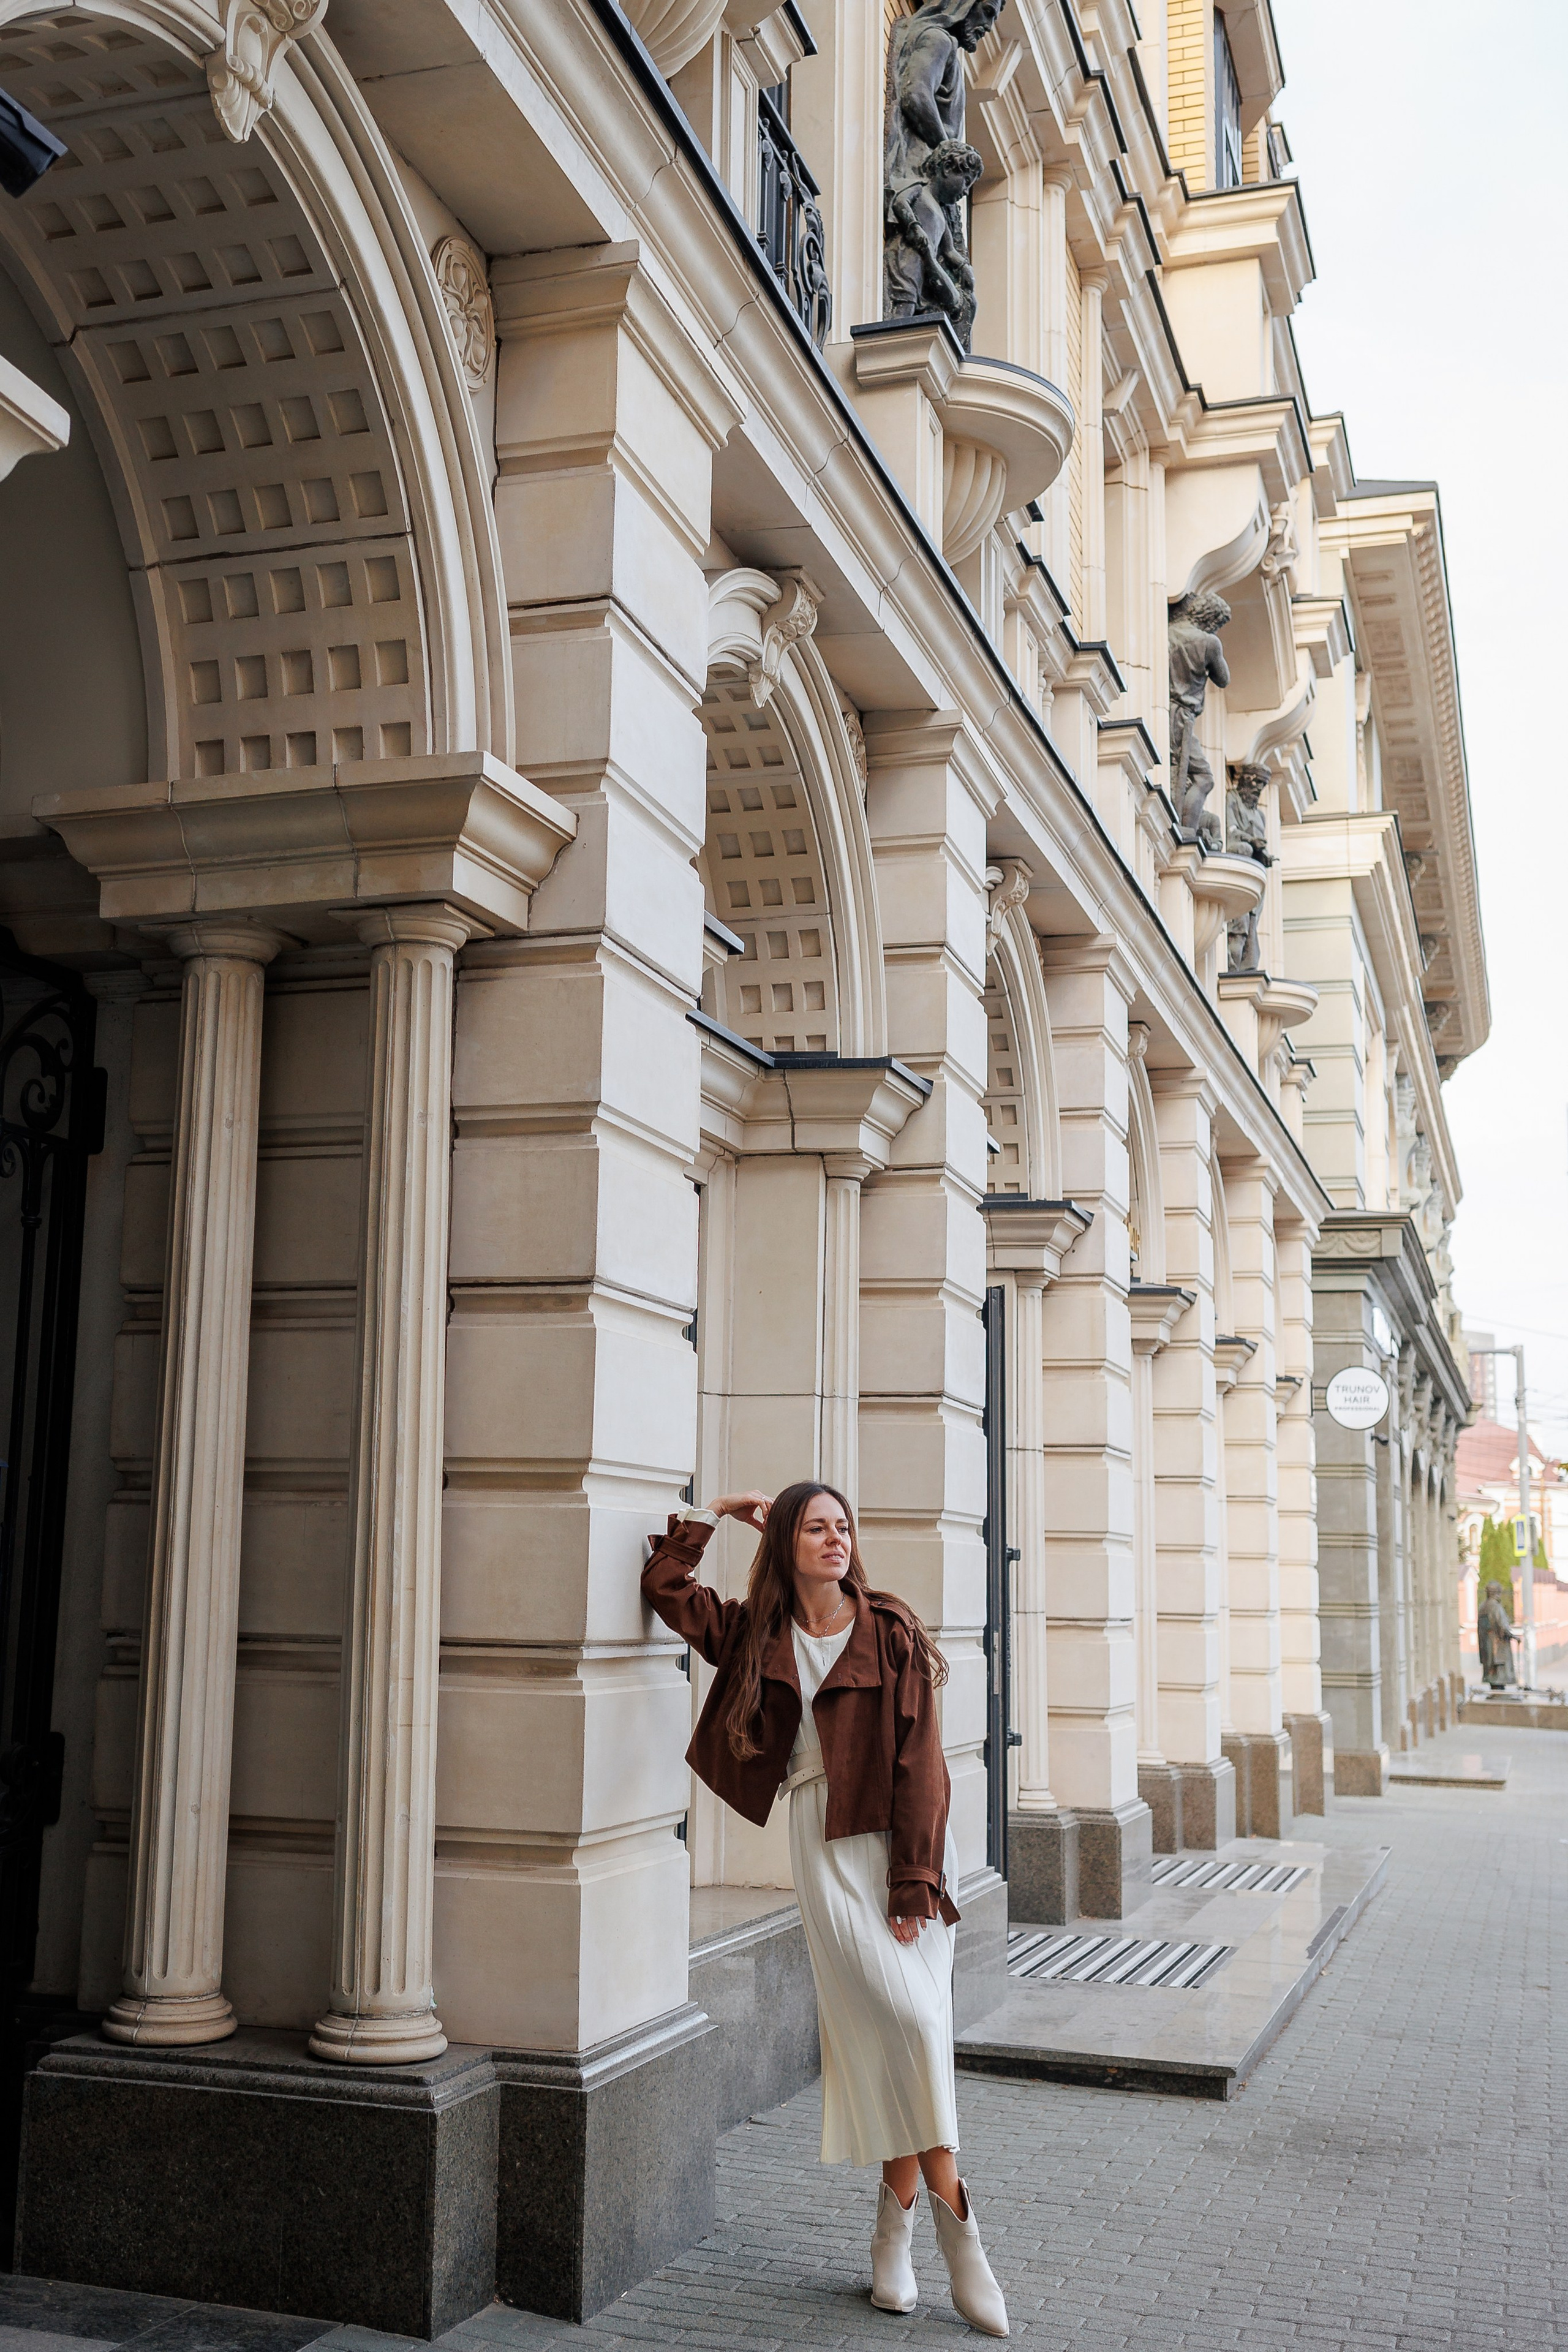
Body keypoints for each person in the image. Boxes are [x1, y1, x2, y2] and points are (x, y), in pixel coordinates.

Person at [643, 1482, 1009, 2335]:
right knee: (909, 2033)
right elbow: (666, 1590)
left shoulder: (889, 1630)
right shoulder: (755, 1633)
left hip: (904, 1844)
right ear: (787, 1544)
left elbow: (924, 1764)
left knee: (909, 2032)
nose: (836, 1539)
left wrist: (914, 1882)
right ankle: (961, 2246)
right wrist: (707, 1523)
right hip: (824, 1845)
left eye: (844, 1526)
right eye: (816, 1527)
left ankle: (899, 2243)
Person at [1477, 1578, 1518, 1691]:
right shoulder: (1495, 1607)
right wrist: (1514, 1636)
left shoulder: (1483, 1607)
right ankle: (1499, 1694)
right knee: (1499, 1673)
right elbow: (1502, 1626)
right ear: (1497, 1592)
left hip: (1486, 1645)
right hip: (1498, 1646)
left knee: (1492, 1672)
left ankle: (1495, 1690)